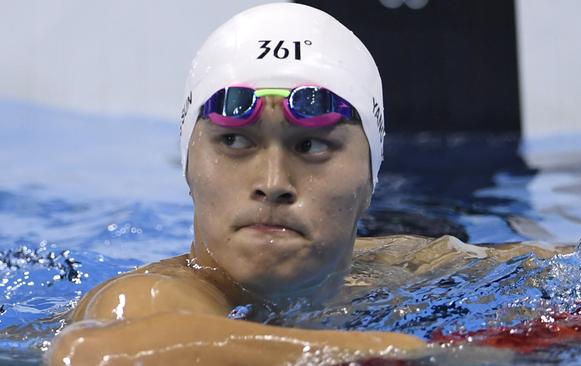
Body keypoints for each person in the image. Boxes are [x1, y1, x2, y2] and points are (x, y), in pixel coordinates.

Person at [46, 3, 428, 365]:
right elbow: (95, 354)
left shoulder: (404, 266)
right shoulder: (148, 296)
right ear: (188, 168)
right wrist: (417, 352)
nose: (273, 183)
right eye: (235, 141)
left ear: (370, 177)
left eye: (311, 146)